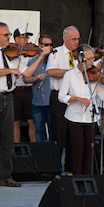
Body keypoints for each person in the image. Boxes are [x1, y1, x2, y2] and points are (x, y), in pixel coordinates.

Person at [0, 21, 50, 188]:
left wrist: (41, 56)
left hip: (8, 97)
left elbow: (27, 73)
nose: (10, 38)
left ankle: (5, 176)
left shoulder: (10, 54)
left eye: (9, 34)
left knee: (8, 139)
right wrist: (10, 70)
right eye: (6, 35)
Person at [58, 44, 104, 175]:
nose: (92, 62)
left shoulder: (95, 75)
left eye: (92, 58)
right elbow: (61, 96)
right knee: (78, 148)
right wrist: (77, 98)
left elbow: (101, 95)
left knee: (90, 150)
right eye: (89, 59)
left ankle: (88, 177)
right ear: (80, 58)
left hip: (91, 118)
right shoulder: (70, 75)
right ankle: (77, 177)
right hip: (74, 117)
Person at [46, 26, 80, 172]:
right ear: (65, 38)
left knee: (73, 133)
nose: (77, 42)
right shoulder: (56, 53)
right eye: (74, 39)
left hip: (75, 97)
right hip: (59, 96)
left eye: (78, 39)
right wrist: (72, 73)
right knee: (58, 132)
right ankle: (55, 167)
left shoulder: (80, 54)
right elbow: (51, 71)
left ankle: (71, 167)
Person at [24, 34, 53, 142]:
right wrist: (35, 78)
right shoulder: (33, 61)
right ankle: (41, 154)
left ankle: (51, 154)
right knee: (39, 130)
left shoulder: (54, 60)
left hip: (51, 101)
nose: (49, 47)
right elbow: (25, 79)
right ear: (40, 45)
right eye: (46, 44)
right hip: (37, 102)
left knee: (52, 130)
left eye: (51, 45)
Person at [13, 27, 36, 143]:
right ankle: (15, 148)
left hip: (30, 90)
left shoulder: (32, 53)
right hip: (16, 90)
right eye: (23, 37)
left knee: (32, 120)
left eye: (27, 38)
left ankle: (35, 149)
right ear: (16, 39)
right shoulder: (11, 53)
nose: (26, 40)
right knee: (15, 121)